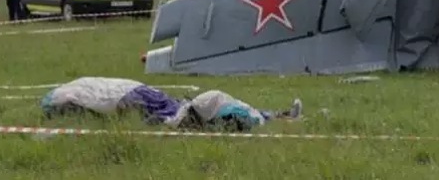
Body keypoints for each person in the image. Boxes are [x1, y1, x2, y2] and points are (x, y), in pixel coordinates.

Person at [40, 77, 302, 131]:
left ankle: (275, 115)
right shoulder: (69, 95)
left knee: (215, 100)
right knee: (213, 101)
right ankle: (275, 116)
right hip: (133, 96)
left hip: (139, 94)